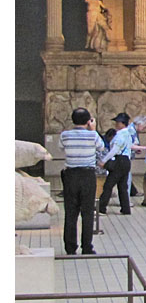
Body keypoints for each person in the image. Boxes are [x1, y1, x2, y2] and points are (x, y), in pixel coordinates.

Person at [59, 108, 105, 254]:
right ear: (88, 121)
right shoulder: (93, 136)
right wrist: (93, 129)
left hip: (71, 175)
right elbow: (101, 147)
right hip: (87, 175)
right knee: (87, 212)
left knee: (71, 212)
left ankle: (70, 247)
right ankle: (87, 247)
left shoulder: (65, 135)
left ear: (72, 120)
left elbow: (61, 148)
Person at [98, 112, 133, 215]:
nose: (116, 124)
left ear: (123, 123)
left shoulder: (120, 135)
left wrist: (104, 161)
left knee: (108, 185)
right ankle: (125, 208)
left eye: (118, 122)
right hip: (126, 161)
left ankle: (101, 207)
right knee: (122, 186)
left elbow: (114, 150)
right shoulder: (129, 134)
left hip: (119, 160)